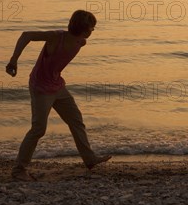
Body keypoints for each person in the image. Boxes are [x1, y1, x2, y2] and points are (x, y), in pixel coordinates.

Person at [6, 10, 111, 181]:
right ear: (84, 30)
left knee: (76, 119)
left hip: (57, 86)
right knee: (38, 129)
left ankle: (90, 159)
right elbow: (26, 35)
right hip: (40, 87)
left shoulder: (80, 42)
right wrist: (13, 60)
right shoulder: (56, 37)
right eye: (92, 28)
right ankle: (19, 170)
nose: (93, 31)